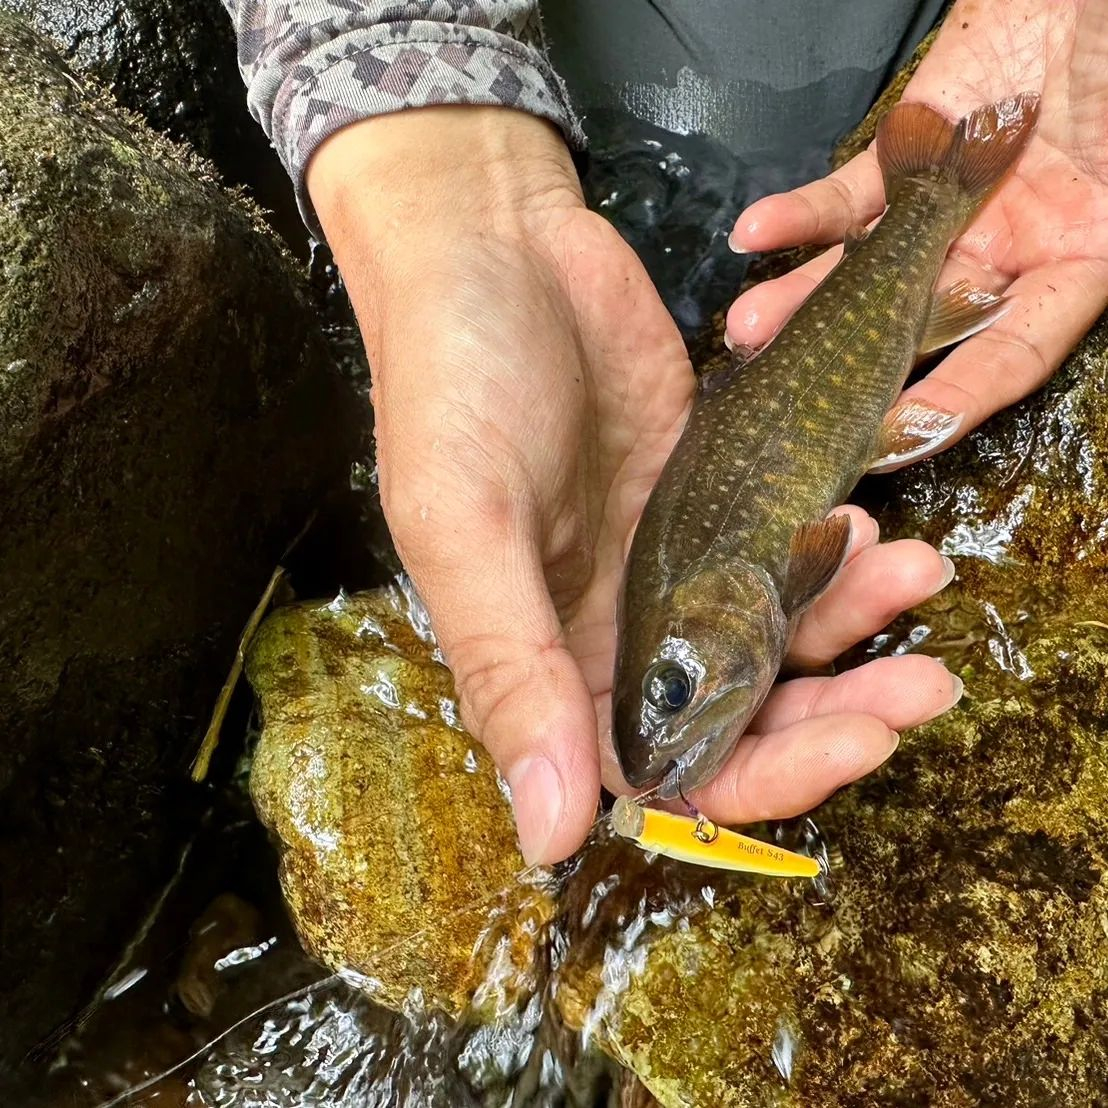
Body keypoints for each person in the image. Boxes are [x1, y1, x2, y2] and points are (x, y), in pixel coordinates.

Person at [223, 0, 1108, 865]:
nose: (680, 731)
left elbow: (822, 542)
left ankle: (930, 197)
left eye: (674, 689)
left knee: (761, 111)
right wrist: (453, 178)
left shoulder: (755, 569)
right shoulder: (724, 579)